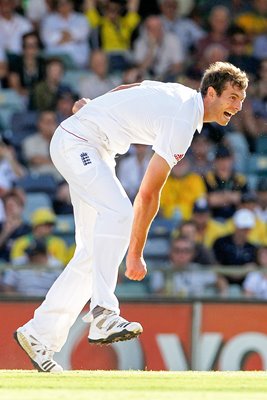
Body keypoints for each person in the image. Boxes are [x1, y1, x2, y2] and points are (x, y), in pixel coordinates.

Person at [14, 61, 248, 372]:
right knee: (120, 212)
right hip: (79, 143)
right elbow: (149, 194)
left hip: (91, 147)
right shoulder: (182, 119)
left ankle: (39, 334)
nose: (238, 105)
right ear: (211, 93)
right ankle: (103, 312)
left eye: (242, 100)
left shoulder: (180, 95)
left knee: (94, 254)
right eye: (232, 96)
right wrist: (134, 255)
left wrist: (94, 106)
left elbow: (130, 89)